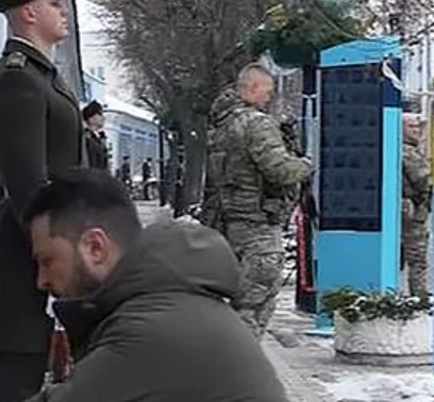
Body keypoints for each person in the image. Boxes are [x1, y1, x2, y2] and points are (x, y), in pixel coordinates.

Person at [20, 169, 289, 402]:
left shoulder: (147, 331)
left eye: (47, 260)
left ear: (95, 247)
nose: (41, 280)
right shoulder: (167, 305)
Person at [0, 0, 84, 402]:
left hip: (47, 252)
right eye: (54, 2)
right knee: (17, 384)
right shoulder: (18, 81)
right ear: (28, 12)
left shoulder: (41, 77)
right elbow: (29, 190)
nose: (64, 11)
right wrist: (60, 264)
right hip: (29, 257)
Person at [205, 64, 312, 340]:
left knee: (236, 304)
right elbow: (279, 169)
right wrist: (306, 165)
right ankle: (240, 373)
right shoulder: (256, 123)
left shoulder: (221, 125)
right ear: (252, 89)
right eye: (268, 91)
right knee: (254, 306)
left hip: (229, 225)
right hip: (259, 227)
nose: (270, 98)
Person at [399, 115, 431, 298]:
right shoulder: (407, 152)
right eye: (412, 127)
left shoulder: (410, 149)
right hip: (411, 212)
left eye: (418, 128)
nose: (417, 131)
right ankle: (419, 296)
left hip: (410, 209)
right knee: (417, 258)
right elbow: (423, 179)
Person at [79, 101, 109, 172]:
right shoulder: (87, 138)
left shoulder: (98, 137)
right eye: (100, 114)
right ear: (91, 118)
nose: (103, 117)